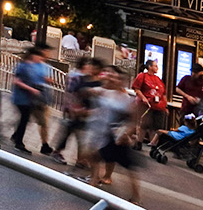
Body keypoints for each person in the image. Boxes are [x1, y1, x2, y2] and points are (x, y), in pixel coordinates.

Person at [88, 65, 143, 201]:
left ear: (121, 82)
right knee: (95, 157)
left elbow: (133, 120)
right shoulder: (108, 93)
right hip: (108, 134)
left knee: (129, 168)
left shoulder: (126, 99)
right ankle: (93, 183)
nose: (113, 80)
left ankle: (136, 197)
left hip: (119, 136)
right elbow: (94, 94)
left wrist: (127, 134)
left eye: (116, 78)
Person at [50, 56, 102, 166]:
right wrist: (72, 108)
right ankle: (59, 152)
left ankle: (80, 159)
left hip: (90, 115)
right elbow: (71, 94)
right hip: (77, 113)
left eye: (94, 67)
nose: (91, 68)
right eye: (91, 66)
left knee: (81, 137)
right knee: (71, 133)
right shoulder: (81, 79)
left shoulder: (100, 84)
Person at [11, 45, 53, 155]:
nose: (40, 59)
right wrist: (31, 89)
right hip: (21, 98)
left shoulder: (33, 66)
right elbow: (16, 81)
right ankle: (18, 142)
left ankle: (17, 137)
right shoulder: (23, 66)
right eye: (38, 56)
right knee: (24, 119)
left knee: (25, 119)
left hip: (29, 99)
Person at [130, 58, 170, 138]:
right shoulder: (142, 76)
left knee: (155, 128)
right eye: (155, 66)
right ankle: (139, 141)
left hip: (159, 107)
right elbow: (137, 89)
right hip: (147, 106)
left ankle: (153, 143)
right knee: (143, 125)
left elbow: (164, 94)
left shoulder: (158, 79)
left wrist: (165, 106)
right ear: (150, 67)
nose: (157, 68)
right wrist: (143, 98)